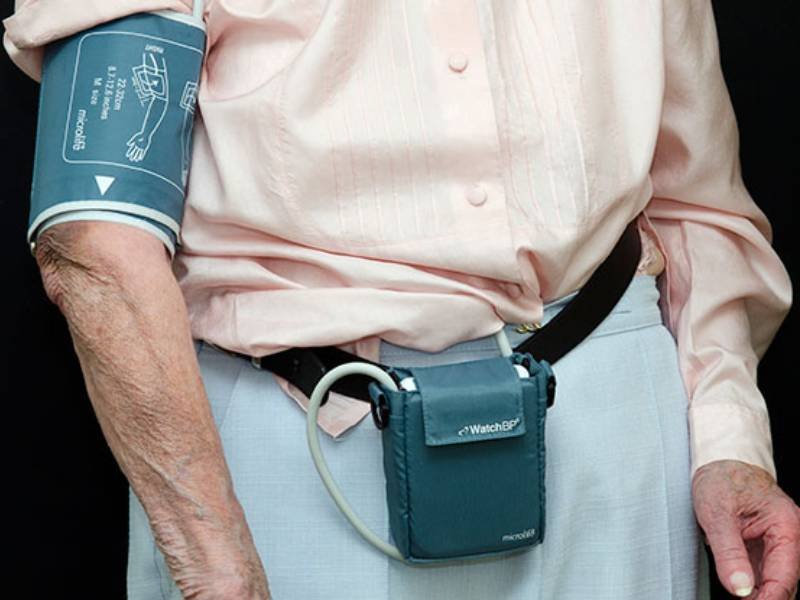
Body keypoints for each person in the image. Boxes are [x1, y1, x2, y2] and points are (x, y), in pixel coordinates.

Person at [4, 0, 799, 598]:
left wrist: (727, 436)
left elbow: (695, 203)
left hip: (612, 440)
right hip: (292, 452)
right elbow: (96, 243)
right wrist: (214, 565)